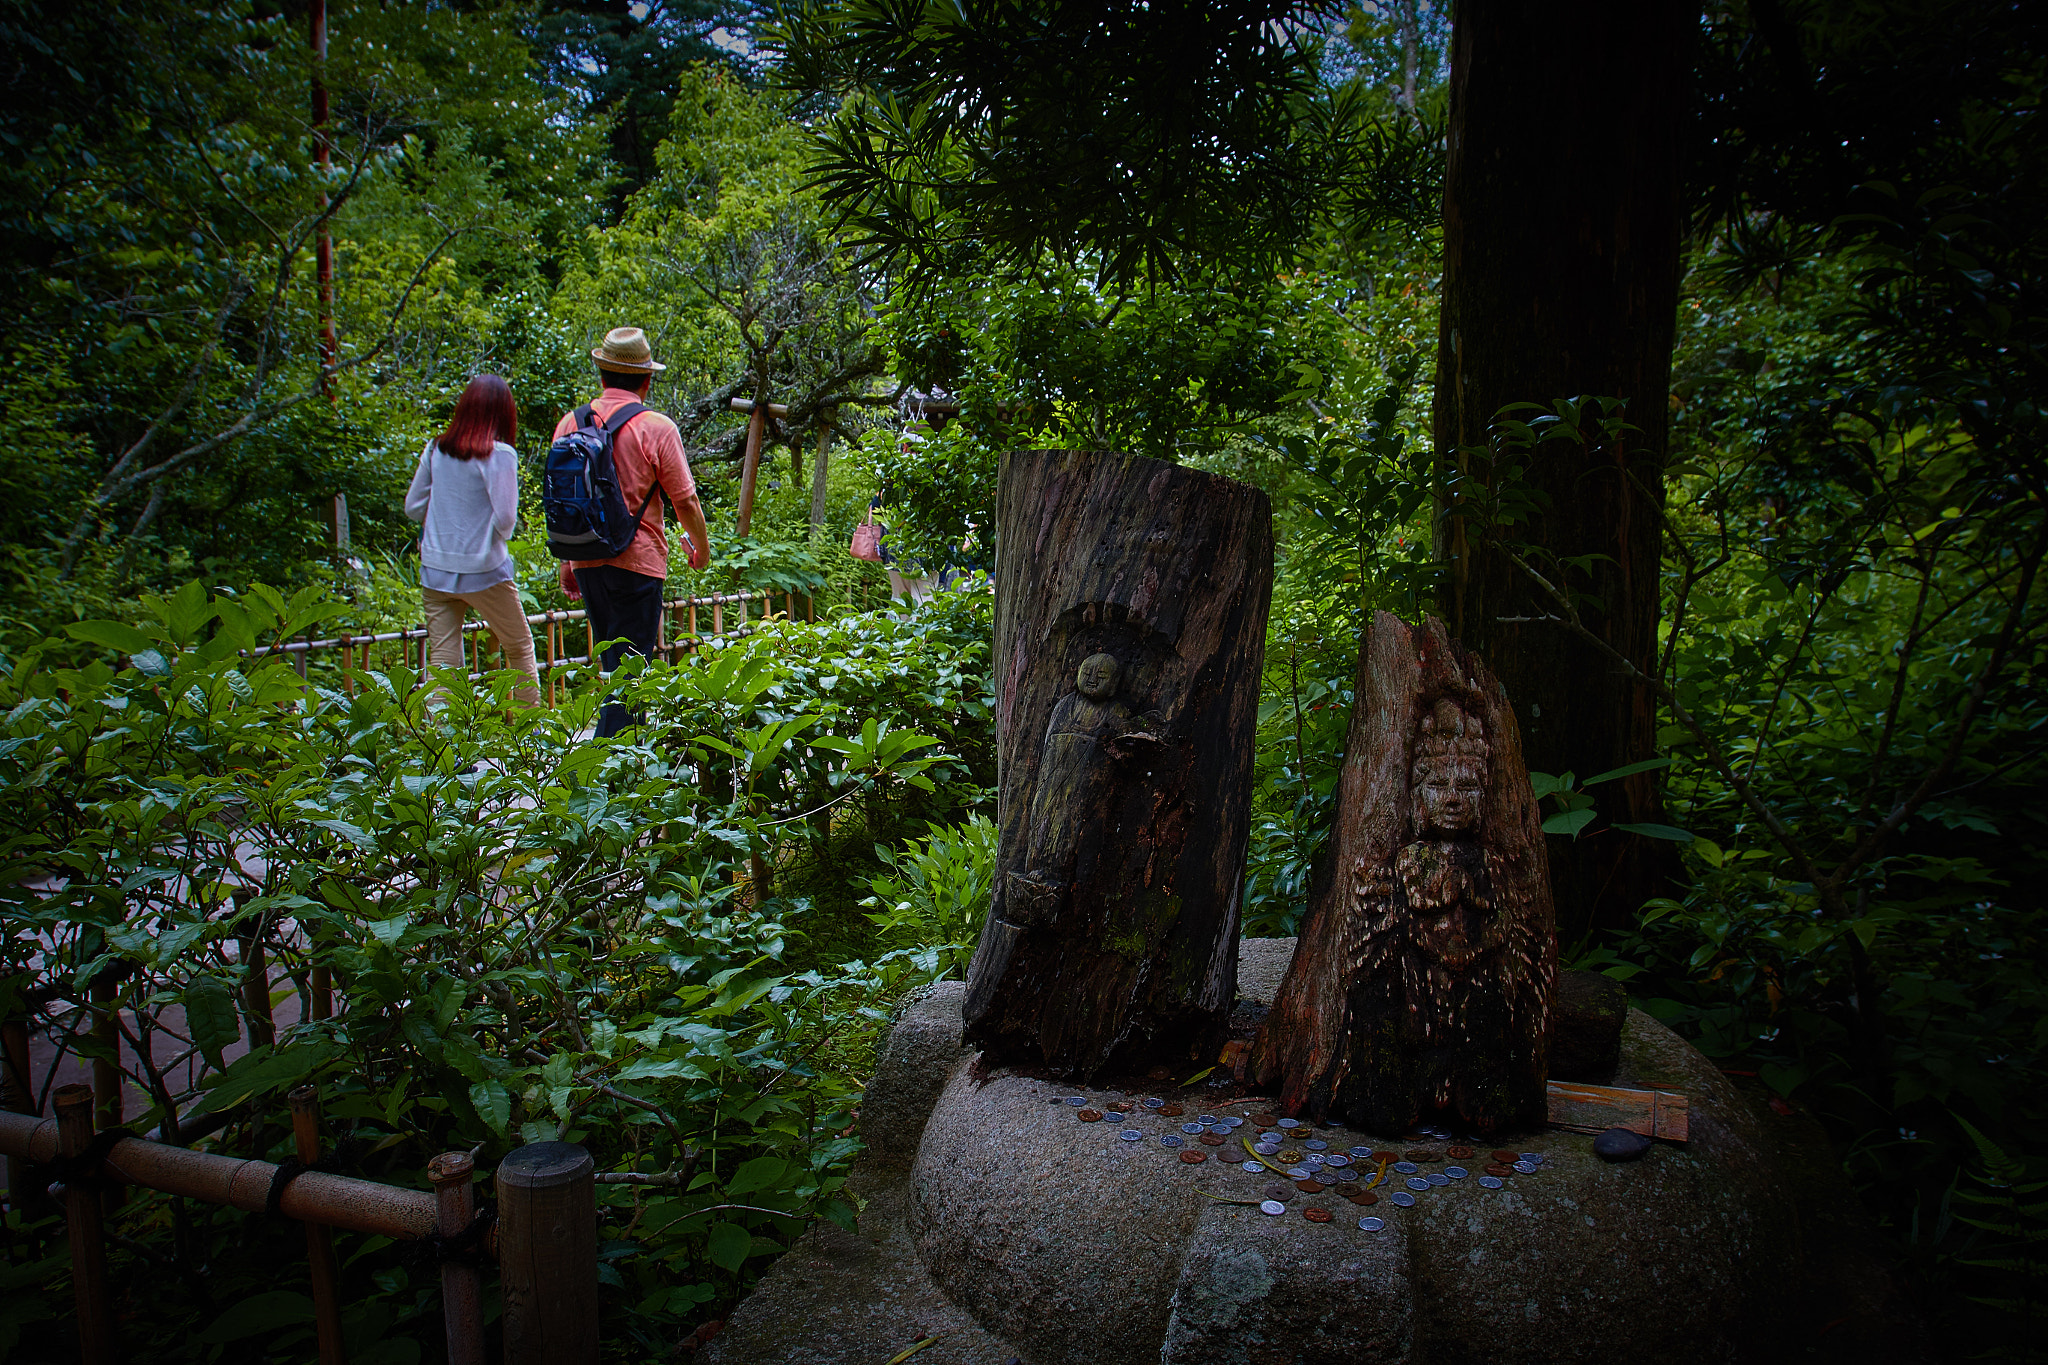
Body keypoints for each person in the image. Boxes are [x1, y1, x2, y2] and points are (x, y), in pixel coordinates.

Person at [555, 326, 710, 737]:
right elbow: (685, 501)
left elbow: (565, 502)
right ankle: (614, 776)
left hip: (586, 560)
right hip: (638, 561)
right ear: (646, 379)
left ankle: (616, 768)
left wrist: (569, 563)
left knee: (614, 667)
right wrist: (701, 549)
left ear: (602, 374)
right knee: (632, 674)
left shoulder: (569, 424)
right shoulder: (656, 427)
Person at [405, 373, 540, 706]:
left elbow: (413, 506)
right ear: (504, 413)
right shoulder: (500, 454)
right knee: (519, 646)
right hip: (485, 569)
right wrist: (488, 540)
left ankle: (442, 745)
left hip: (436, 567)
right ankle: (532, 736)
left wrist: (440, 527)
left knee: (444, 657)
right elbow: (507, 518)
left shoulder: (437, 448)